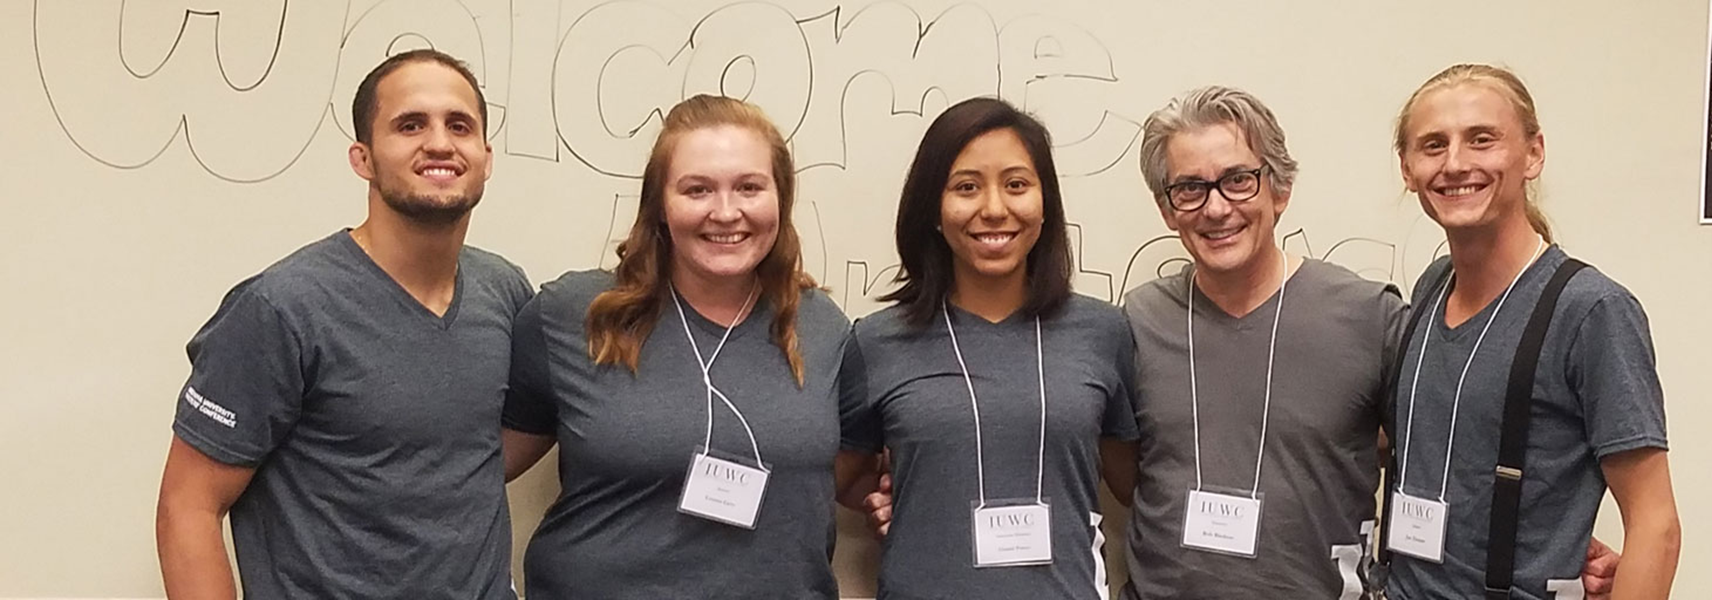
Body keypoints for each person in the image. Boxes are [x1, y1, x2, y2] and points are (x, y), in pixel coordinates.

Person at [154, 49, 528, 599]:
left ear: (486, 156)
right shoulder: (282, 308)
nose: (440, 143)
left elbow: (471, 450)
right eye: (409, 125)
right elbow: (187, 507)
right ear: (363, 158)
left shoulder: (504, 292)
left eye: (459, 125)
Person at [499, 94, 857, 598]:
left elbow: (849, 472)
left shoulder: (822, 328)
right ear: (660, 207)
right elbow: (479, 472)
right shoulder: (575, 315)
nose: (726, 212)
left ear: (781, 199)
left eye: (750, 187)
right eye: (697, 190)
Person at [1384, 63, 1681, 600]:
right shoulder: (1431, 287)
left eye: (1481, 140)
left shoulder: (1591, 312)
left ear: (1533, 153)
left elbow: (1655, 524)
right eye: (1432, 145)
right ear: (1406, 168)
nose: (1455, 163)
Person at [837, 96, 1140, 599]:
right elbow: (835, 479)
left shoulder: (1104, 333)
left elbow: (1132, 485)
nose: (994, 209)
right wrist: (896, 496)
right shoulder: (876, 341)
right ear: (933, 209)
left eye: (1017, 185)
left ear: (1046, 205)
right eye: (966, 187)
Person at [1117, 86, 1404, 600]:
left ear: (1280, 189)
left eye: (1238, 180)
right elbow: (1123, 469)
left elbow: (1441, 459)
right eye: (1190, 188)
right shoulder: (1138, 322)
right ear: (1166, 209)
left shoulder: (1367, 316)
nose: (1216, 207)